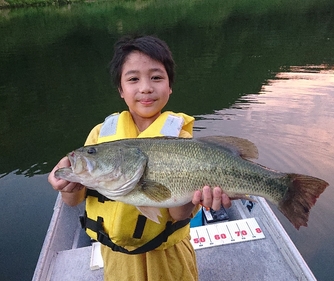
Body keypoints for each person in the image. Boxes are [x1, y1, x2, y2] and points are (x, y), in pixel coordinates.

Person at [48, 35, 231, 281]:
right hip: (117, 261)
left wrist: (201, 197)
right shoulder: (100, 135)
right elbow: (73, 201)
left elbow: (178, 215)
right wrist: (66, 185)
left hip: (170, 257)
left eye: (156, 77)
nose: (145, 87)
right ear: (121, 90)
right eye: (133, 79)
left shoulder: (181, 139)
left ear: (170, 86)